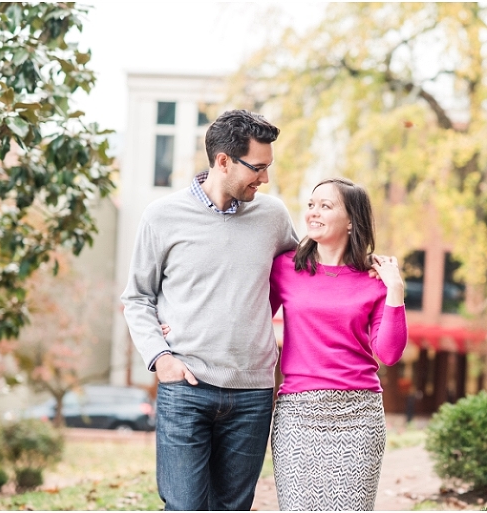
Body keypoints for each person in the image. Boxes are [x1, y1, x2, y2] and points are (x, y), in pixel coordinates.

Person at [120, 109, 299, 511]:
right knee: (184, 506)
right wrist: (160, 357)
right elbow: (137, 297)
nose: (265, 179)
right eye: (258, 168)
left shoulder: (273, 217)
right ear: (223, 161)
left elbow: (303, 276)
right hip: (186, 386)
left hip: (252, 392)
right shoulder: (162, 216)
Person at [269, 177, 408, 510]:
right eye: (311, 205)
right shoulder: (285, 267)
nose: (313, 212)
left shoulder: (375, 279)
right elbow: (249, 318)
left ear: (350, 221)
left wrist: (395, 290)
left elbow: (389, 353)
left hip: (359, 416)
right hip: (298, 414)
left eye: (325, 206)